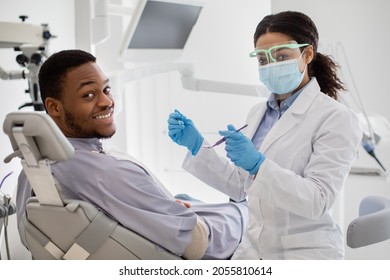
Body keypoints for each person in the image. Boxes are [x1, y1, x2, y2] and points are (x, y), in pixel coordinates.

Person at [15, 49, 248, 260]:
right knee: (250, 211)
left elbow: (28, 239)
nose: (107, 102)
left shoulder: (35, 170)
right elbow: (196, 244)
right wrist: (245, 213)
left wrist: (165, 208)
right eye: (88, 95)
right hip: (227, 237)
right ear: (54, 107)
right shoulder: (108, 172)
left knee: (191, 200)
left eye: (106, 89)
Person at [167, 11, 363, 259]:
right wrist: (197, 146)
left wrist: (259, 165)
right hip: (253, 249)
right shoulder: (258, 113)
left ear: (308, 54)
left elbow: (317, 200)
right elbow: (240, 187)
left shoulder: (336, 118)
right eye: (263, 59)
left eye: (282, 56)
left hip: (305, 253)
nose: (271, 66)